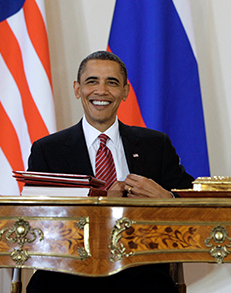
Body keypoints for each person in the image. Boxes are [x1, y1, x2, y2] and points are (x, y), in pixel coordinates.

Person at [26, 51, 194, 293]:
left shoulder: (155, 144)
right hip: (67, 269)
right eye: (92, 81)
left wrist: (168, 199)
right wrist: (100, 205)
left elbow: (195, 200)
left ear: (125, 91)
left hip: (139, 268)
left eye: (112, 82)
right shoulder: (48, 149)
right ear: (77, 89)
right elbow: (37, 219)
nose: (101, 91)